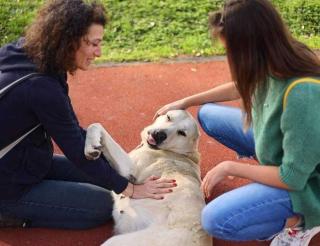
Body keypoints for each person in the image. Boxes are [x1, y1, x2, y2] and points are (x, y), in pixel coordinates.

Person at [155, 0, 320, 244]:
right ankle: (267, 176)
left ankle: (303, 220)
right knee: (208, 114)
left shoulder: (302, 94)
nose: (229, 57)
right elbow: (240, 87)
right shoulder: (276, 57)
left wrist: (230, 167)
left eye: (231, 50)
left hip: (307, 183)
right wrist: (185, 101)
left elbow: (292, 178)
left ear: (250, 47)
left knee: (214, 220)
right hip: (282, 151)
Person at [0, 0, 175, 229]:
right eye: (94, 44)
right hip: (9, 185)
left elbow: (73, 133)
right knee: (103, 204)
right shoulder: (42, 87)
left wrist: (122, 176)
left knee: (110, 177)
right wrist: (132, 189)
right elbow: (76, 149)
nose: (99, 53)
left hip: (24, 161)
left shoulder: (24, 52)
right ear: (69, 41)